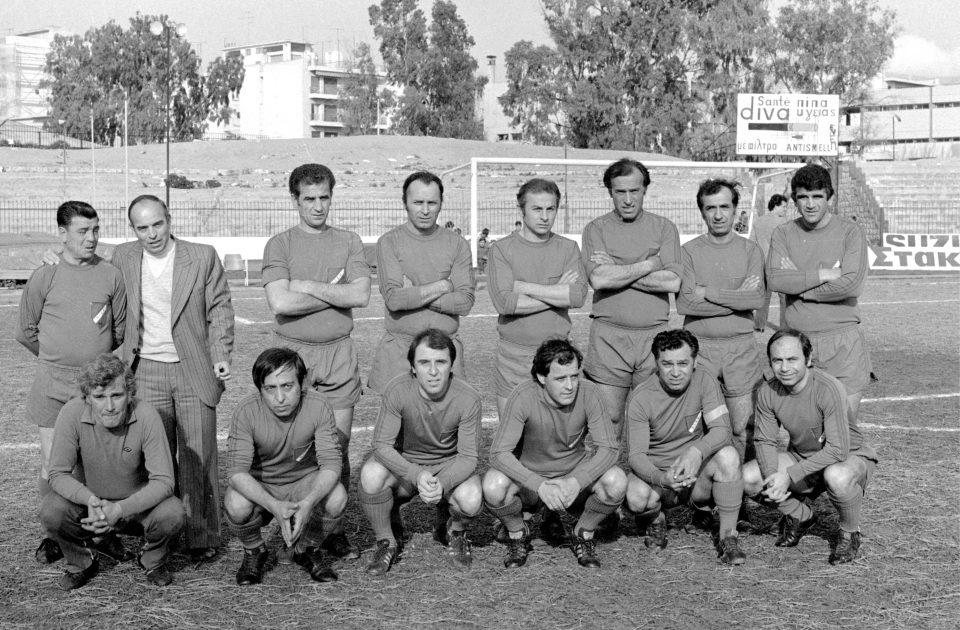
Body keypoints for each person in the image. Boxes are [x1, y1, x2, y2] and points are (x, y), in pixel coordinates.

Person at [112, 194, 234, 561]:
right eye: (142, 228)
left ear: (169, 218)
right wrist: (54, 259)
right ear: (132, 229)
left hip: (192, 367)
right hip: (144, 370)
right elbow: (90, 275)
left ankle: (202, 537)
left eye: (157, 224)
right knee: (156, 459)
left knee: (199, 454)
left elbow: (220, 309)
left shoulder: (202, 256)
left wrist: (220, 354)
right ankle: (161, 534)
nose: (151, 234)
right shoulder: (122, 257)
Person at [262, 163, 371, 559]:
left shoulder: (349, 241)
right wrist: (334, 292)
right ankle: (295, 520)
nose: (318, 206)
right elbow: (280, 302)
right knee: (296, 445)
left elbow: (360, 295)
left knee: (337, 446)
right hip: (293, 357)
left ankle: (333, 529)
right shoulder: (280, 244)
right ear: (295, 200)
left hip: (339, 353)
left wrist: (306, 286)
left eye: (324, 197)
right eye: (309, 199)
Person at [17, 200, 126, 566]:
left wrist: (91, 368)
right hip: (51, 384)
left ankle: (101, 532)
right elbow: (25, 331)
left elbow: (119, 331)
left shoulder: (110, 275)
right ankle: (56, 535)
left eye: (95, 230)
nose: (91, 238)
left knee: (96, 464)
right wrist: (56, 359)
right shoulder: (44, 275)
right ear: (62, 234)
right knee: (52, 463)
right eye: (82, 231)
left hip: (94, 387)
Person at [40, 354, 183, 589]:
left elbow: (165, 481)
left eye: (117, 395)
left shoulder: (146, 415)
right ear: (87, 397)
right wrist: (91, 500)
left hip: (134, 508)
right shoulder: (71, 413)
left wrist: (119, 509)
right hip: (90, 508)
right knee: (51, 509)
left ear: (130, 394)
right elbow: (57, 473)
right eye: (99, 397)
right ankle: (82, 562)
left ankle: (151, 560)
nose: (109, 406)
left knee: (173, 512)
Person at [483, 339, 625, 569]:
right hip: (532, 484)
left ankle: (584, 533)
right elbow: (499, 453)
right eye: (560, 379)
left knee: (616, 480)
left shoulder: (590, 393)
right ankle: (518, 534)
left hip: (572, 480)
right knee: (493, 485)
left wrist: (577, 481)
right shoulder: (523, 395)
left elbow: (609, 448)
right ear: (541, 377)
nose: (570, 386)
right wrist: (538, 485)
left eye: (574, 376)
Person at [742, 330, 878, 564]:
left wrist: (790, 475)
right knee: (749, 478)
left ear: (808, 358)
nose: (785, 368)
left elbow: (837, 450)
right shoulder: (767, 391)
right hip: (803, 457)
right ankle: (801, 515)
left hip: (848, 456)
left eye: (792, 359)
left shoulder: (828, 387)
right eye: (777, 360)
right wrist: (774, 476)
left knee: (837, 476)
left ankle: (849, 532)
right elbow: (764, 441)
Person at [360, 329, 483, 575]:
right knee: (371, 474)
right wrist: (416, 474)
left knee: (471, 498)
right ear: (413, 367)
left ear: (452, 365)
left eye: (441, 362)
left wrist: (442, 483)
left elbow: (469, 458)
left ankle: (454, 531)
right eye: (424, 362)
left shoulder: (469, 398)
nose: (433, 371)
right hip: (406, 466)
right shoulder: (397, 389)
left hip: (447, 466)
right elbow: (382, 444)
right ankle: (386, 540)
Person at [224, 348, 347, 584]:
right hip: (263, 485)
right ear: (260, 389)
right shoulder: (245, 411)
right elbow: (236, 473)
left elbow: (331, 464)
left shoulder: (318, 405)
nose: (280, 398)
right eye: (270, 388)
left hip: (303, 484)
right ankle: (254, 550)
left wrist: (308, 502)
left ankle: (307, 548)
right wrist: (273, 505)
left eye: (287, 386)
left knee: (337, 496)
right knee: (235, 502)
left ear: (302, 383)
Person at [624, 329, 747, 565]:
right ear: (656, 363)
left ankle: (728, 536)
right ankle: (655, 520)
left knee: (728, 456)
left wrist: (696, 452)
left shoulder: (705, 380)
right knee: (635, 495)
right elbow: (636, 456)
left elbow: (722, 429)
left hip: (695, 479)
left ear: (695, 361)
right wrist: (661, 478)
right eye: (667, 364)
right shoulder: (641, 397)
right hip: (661, 480)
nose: (675, 372)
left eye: (683, 363)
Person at [581, 158, 681, 436]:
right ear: (610, 192)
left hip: (655, 338)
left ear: (645, 189)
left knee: (655, 422)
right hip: (608, 339)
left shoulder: (664, 228)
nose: (627, 199)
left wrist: (617, 267)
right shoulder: (596, 229)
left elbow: (672, 281)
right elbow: (600, 279)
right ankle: (609, 468)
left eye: (634, 191)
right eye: (620, 192)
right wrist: (650, 263)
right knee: (609, 421)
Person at [765, 164, 871, 422]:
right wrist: (823, 274)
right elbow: (776, 279)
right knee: (803, 428)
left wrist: (799, 284)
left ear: (829, 197)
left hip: (842, 344)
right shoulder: (783, 233)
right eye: (803, 197)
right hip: (798, 342)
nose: (810, 204)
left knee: (842, 426)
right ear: (794, 199)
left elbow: (851, 285)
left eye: (817, 196)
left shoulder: (850, 231)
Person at [677, 179, 765, 458]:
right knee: (698, 427)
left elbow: (756, 299)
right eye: (710, 208)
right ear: (702, 212)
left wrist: (708, 293)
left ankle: (740, 482)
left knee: (742, 427)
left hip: (740, 349)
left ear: (736, 209)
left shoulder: (750, 251)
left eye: (724, 207)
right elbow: (685, 303)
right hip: (699, 349)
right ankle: (705, 481)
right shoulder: (688, 251)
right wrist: (736, 299)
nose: (718, 215)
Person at [487, 178, 588, 416]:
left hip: (558, 357)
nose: (544, 216)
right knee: (512, 431)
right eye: (537, 209)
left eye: (550, 209)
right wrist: (556, 291)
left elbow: (577, 296)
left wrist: (524, 287)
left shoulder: (568, 248)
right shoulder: (501, 249)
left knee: (558, 429)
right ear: (522, 210)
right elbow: (505, 303)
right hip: (514, 357)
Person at [367, 171, 475, 394]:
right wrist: (445, 285)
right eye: (418, 202)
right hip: (399, 356)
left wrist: (415, 294)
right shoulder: (389, 242)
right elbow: (395, 299)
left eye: (431, 203)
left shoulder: (458, 244)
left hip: (446, 353)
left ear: (441, 203)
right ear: (404, 203)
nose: (425, 210)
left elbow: (464, 303)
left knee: (447, 416)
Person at [752, 193, 793, 331]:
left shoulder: (758, 221)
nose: (785, 209)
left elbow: (752, 243)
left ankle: (759, 325)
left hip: (762, 263)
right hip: (778, 264)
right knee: (784, 297)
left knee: (764, 296)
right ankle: (784, 327)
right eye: (783, 206)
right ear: (775, 205)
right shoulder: (783, 223)